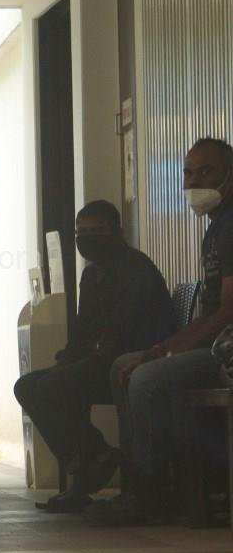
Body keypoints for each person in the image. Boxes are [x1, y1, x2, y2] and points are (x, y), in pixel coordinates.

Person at [89, 138, 233, 525]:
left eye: (206, 171)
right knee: (124, 366)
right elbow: (209, 315)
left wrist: (164, 355)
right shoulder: (215, 230)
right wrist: (158, 349)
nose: (194, 181)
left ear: (229, 176)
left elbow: (227, 310)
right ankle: (136, 483)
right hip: (216, 346)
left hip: (227, 355)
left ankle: (153, 490)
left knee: (146, 379)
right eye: (188, 172)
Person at [14, 200, 176, 513]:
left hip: (133, 360)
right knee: (29, 386)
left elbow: (122, 330)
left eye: (96, 231)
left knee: (60, 385)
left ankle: (91, 468)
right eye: (81, 232)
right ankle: (91, 460)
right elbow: (82, 331)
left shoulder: (136, 269)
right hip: (98, 361)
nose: (87, 238)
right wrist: (67, 357)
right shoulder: (90, 276)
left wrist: (81, 362)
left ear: (117, 232)